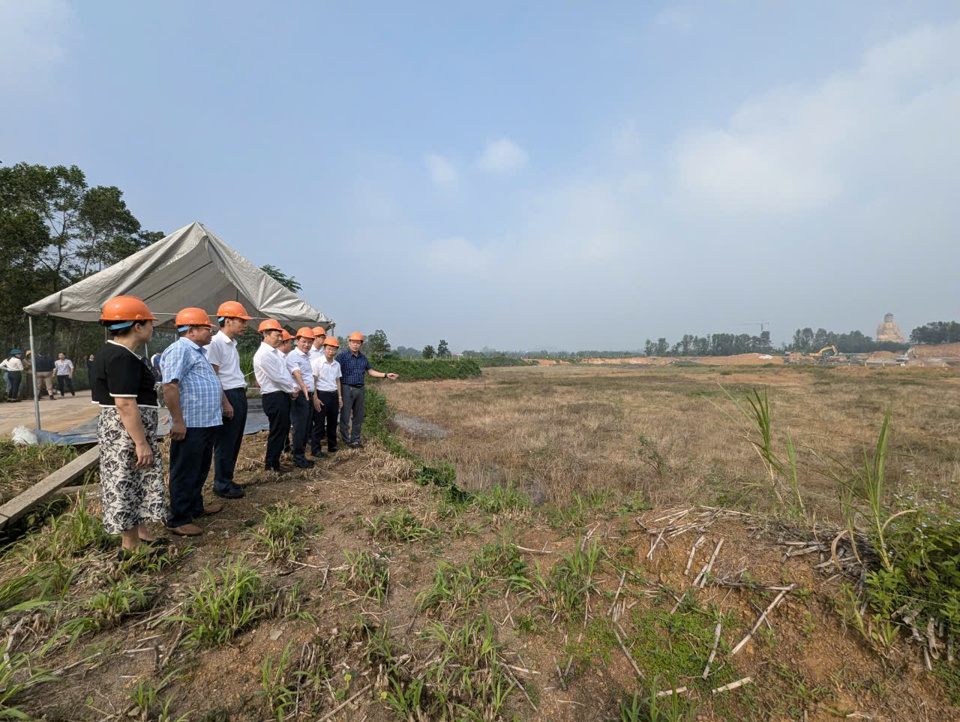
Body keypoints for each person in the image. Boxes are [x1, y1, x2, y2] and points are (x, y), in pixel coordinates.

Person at [89, 296, 167, 559]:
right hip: (126, 433)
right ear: (137, 325)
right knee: (125, 481)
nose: (152, 328)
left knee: (134, 482)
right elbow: (124, 403)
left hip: (127, 431)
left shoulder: (114, 353)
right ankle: (130, 546)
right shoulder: (121, 357)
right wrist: (141, 442)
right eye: (149, 323)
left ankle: (140, 533)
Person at [161, 308, 223, 537]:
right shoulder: (179, 349)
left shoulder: (197, 352)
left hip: (205, 421)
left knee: (199, 467)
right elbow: (169, 386)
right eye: (207, 329)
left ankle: (195, 507)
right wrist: (177, 420)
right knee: (185, 470)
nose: (210, 333)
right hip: (191, 423)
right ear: (192, 330)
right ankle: (178, 518)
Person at [206, 301, 253, 499]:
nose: (244, 325)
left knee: (235, 440)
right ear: (227, 320)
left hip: (238, 393)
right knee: (225, 441)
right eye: (240, 320)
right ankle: (221, 484)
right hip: (228, 394)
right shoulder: (216, 343)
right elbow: (214, 376)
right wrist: (225, 402)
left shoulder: (231, 344)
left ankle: (228, 477)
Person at [337, 332, 399, 448]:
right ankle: (346, 440)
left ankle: (355, 440)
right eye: (353, 342)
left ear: (361, 345)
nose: (355, 345)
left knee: (358, 416)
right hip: (346, 388)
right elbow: (336, 373)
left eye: (358, 343)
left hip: (360, 389)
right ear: (349, 343)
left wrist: (385, 375)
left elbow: (370, 371)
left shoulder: (363, 358)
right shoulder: (342, 356)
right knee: (345, 416)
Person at [253, 320, 300, 472]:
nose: (280, 339)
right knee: (277, 430)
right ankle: (271, 465)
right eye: (277, 335)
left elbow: (284, 374)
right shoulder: (264, 354)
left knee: (282, 429)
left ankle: (275, 462)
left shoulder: (274, 354)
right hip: (274, 396)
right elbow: (277, 377)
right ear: (266, 335)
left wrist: (290, 389)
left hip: (281, 394)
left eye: (281, 336)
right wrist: (292, 389)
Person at [286, 328, 319, 469]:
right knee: (299, 427)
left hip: (309, 395)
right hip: (300, 395)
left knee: (306, 426)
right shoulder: (293, 356)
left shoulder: (306, 356)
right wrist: (303, 387)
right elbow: (296, 372)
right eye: (304, 341)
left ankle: (301, 454)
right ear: (297, 341)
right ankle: (298, 457)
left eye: (309, 342)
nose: (306, 345)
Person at [311, 335, 342, 454]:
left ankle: (332, 446)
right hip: (321, 395)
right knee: (319, 423)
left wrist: (340, 397)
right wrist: (315, 398)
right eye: (329, 349)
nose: (331, 351)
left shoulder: (337, 364)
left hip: (333, 395)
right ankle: (316, 449)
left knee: (332, 422)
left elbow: (338, 381)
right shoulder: (317, 362)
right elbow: (313, 380)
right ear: (324, 349)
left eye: (334, 349)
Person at [308, 326, 327, 456]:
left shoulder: (323, 352)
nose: (324, 339)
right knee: (308, 416)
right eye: (322, 337)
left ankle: (315, 438)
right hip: (309, 387)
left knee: (318, 415)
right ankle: (309, 439)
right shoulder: (308, 352)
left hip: (320, 388)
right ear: (315, 338)